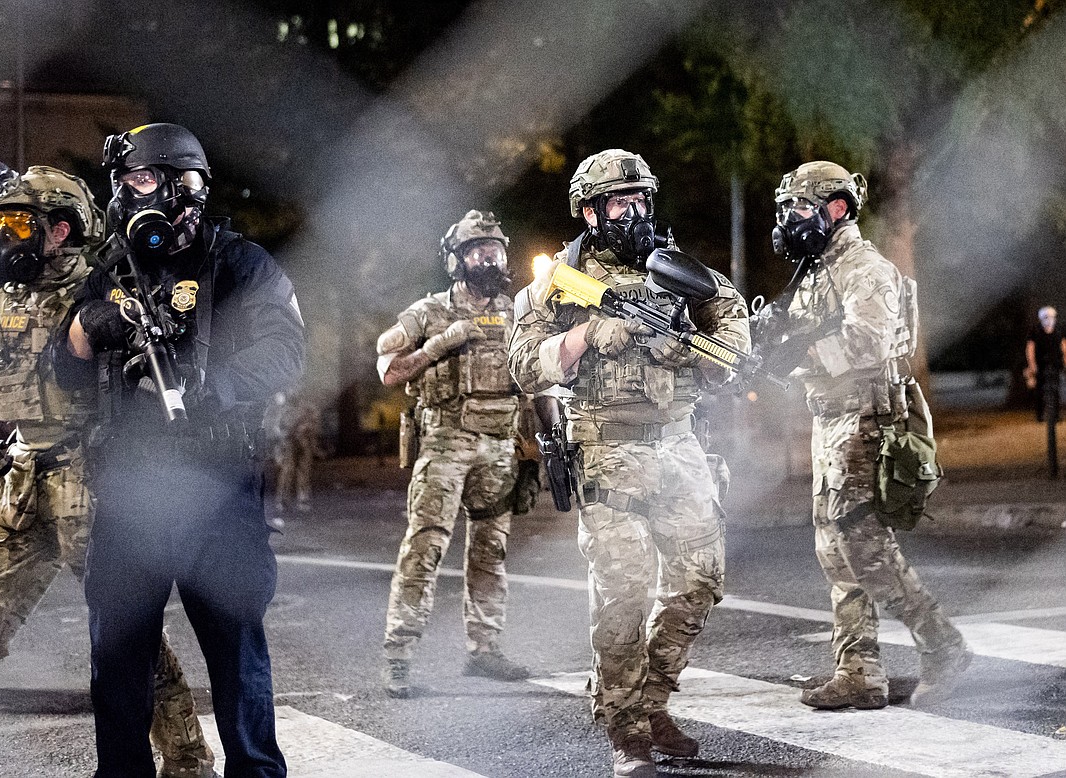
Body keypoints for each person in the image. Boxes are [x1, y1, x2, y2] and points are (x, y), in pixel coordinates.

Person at [0, 162, 215, 778]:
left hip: (91, 476)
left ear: (61, 230)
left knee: (130, 627)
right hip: (23, 475)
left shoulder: (102, 290)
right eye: (1, 222)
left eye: (18, 223)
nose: (3, 237)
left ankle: (187, 755)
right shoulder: (1, 299)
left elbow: (153, 364)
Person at [56, 123, 303, 777]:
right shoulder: (110, 273)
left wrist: (212, 384)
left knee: (237, 652)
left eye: (140, 182)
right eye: (123, 187)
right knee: (117, 658)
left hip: (216, 485)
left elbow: (286, 349)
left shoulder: (239, 263)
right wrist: (85, 328)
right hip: (130, 490)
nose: (129, 198)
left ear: (180, 186)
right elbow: (64, 371)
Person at [508, 150, 749, 778]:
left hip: (678, 445)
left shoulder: (677, 271)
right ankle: (627, 731)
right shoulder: (559, 282)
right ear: (589, 211)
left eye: (643, 198)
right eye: (621, 201)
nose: (636, 212)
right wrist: (589, 334)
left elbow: (730, 333)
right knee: (623, 594)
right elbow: (524, 365)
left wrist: (687, 352)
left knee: (700, 581)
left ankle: (651, 698)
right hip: (606, 450)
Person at [769, 160, 971, 711]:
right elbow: (808, 345)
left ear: (836, 209)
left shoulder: (864, 268)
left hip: (864, 420)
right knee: (833, 551)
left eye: (801, 209)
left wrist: (797, 354)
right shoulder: (817, 271)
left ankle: (943, 646)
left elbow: (869, 344)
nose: (789, 219)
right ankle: (859, 671)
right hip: (829, 419)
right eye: (786, 209)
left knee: (865, 549)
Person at [376, 209, 531, 699]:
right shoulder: (429, 311)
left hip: (501, 444)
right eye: (476, 250)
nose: (489, 257)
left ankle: (484, 649)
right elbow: (387, 365)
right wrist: (439, 345)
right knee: (425, 546)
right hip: (445, 440)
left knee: (492, 552)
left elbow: (537, 385)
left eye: (495, 249)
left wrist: (538, 446)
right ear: (456, 261)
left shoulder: (516, 313)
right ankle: (399, 654)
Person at [1024, 306, 1066, 421]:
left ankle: (1056, 415)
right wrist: (1032, 364)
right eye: (1046, 317)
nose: (1049, 319)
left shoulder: (1058, 329)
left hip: (1056, 363)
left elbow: (1063, 345)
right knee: (1040, 390)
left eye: (1052, 317)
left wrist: (1065, 360)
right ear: (1041, 318)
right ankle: (1040, 415)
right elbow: (1030, 348)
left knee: (1056, 389)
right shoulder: (1035, 330)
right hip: (1040, 364)